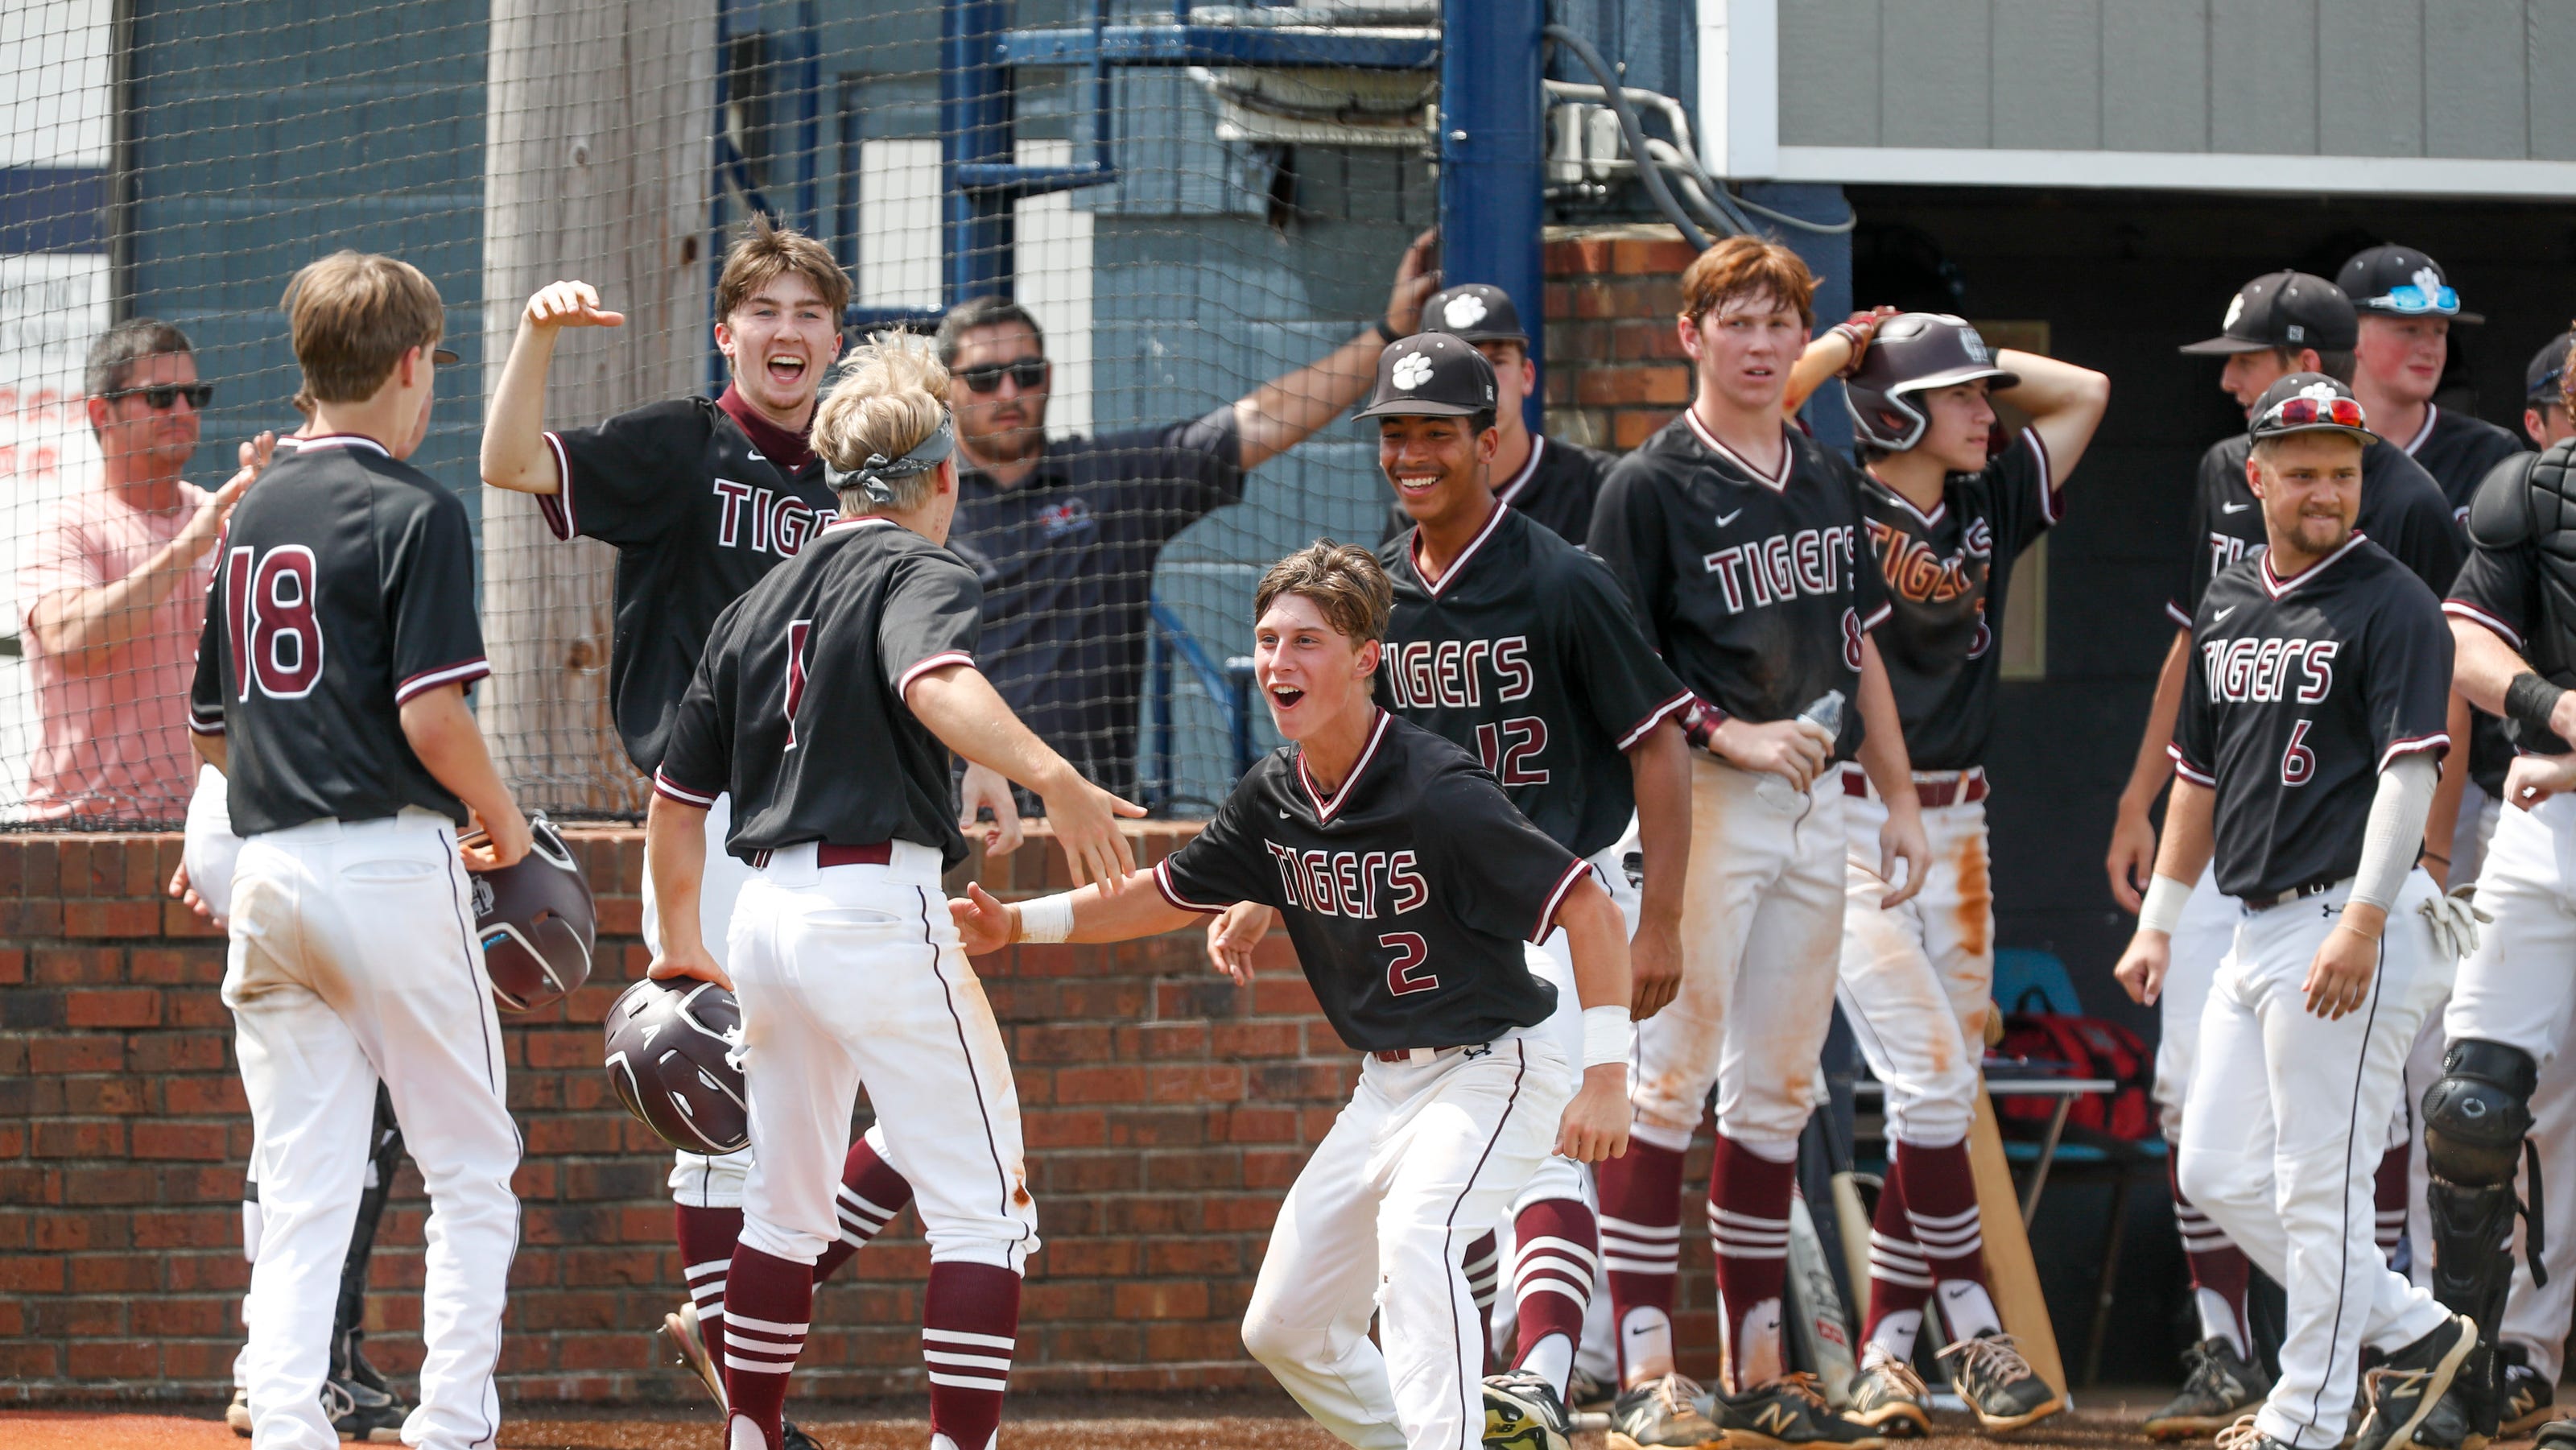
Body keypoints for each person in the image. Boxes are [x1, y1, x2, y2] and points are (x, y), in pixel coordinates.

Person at [476, 219, 996, 1436]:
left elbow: (912, 652)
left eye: (813, 313)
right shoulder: (681, 445)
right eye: (766, 309)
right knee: (719, 1107)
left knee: (912, 1119)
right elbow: (507, 462)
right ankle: (738, 1400)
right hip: (709, 817)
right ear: (730, 331)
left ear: (835, 339)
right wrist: (537, 338)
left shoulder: (858, 476)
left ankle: (729, 1326)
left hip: (840, 834)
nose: (790, 331)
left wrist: (974, 769)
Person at [950, 539, 1633, 1450]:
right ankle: (1466, 1432)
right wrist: (1019, 925)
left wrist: (1607, 1074)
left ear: (1364, 660)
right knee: (1283, 1325)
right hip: (1384, 1085)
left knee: (1420, 1238)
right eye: (1268, 638)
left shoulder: (1437, 789)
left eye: (1307, 641)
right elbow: (1159, 892)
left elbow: (1587, 910)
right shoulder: (1274, 792)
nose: (1279, 660)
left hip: (1493, 1062)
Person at [641, 335, 1141, 1450]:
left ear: (831, 474)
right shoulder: (924, 566)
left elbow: (677, 802)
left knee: (780, 1207)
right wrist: (1050, 774)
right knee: (984, 1216)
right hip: (874, 911)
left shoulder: (758, 601)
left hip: (760, 918)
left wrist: (679, 945)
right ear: (943, 475)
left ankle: (751, 1436)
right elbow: (932, 678)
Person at [1209, 335, 1693, 1441]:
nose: (1414, 452)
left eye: (1437, 430)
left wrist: (1659, 915)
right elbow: (1357, 765)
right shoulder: (1376, 595)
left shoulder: (1565, 578)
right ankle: (1485, 1400)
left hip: (1568, 892)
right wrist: (1276, 884)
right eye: (1395, 431)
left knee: (1541, 1146)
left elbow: (1660, 745)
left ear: (1492, 439)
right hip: (1454, 907)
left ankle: (1537, 1378)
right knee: (1449, 1198)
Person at [2103, 271, 2465, 1440]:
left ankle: (2305, 1417)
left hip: (2350, 921)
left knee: (2320, 1186)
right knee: (2215, 1170)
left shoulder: (2395, 600)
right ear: (2254, 476)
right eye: (2301, 470)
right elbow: (2197, 780)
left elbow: (2415, 769)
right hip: (2251, 922)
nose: (2324, 490)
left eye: (2342, 472)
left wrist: (2365, 922)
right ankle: (2410, 1324)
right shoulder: (2229, 599)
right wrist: (2160, 917)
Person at [1585, 234, 1930, 1450]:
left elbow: (1861, 641)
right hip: (1698, 801)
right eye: (1734, 320)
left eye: (1779, 322)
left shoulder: (1828, 474)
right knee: (1664, 1078)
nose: (1758, 341)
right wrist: (1728, 729)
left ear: (1801, 341)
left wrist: (1896, 796)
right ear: (1690, 336)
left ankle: (1758, 1366)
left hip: (1815, 800)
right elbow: (1616, 668)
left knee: (1777, 1089)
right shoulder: (1649, 483)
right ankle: (1640, 1367)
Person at [187, 250, 528, 1450]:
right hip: (390, 865)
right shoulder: (415, 507)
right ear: (409, 365)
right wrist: (509, 817)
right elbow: (435, 720)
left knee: (303, 1184)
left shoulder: (252, 514)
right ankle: (449, 1429)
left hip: (269, 866)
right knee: (472, 1165)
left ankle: (286, 1424)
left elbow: (211, 733)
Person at [1774, 312, 2108, 1435]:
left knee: (1942, 1095)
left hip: (1960, 827)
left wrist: (1955, 351)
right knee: (1923, 1072)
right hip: (1847, 822)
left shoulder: (1985, 495)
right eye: (1960, 394)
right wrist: (1849, 346)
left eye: (1981, 394)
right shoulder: (1825, 490)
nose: (1988, 409)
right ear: (1895, 412)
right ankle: (1974, 1328)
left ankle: (1886, 1354)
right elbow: (1765, 410)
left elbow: (2087, 392)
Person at [939, 229, 1438, 802]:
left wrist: (1389, 334)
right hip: (959, 820)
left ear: (1048, 377)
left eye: (1025, 372)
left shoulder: (1111, 483)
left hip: (1095, 816)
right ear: (947, 390)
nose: (1008, 390)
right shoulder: (929, 504)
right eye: (983, 376)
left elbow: (1261, 419)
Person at [2421, 356, 2576, 1446]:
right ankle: (2467, 1374)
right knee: (2471, 1106)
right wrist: (2552, 708)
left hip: (2554, 785)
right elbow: (2463, 640)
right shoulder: (2533, 490)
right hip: (2545, 822)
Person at [18, 319, 270, 821]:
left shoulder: (224, 521)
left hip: (206, 828)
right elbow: (70, 637)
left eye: (193, 395)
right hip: (77, 832)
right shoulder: (68, 527)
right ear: (101, 412)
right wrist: (187, 546)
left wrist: (277, 508)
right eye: (159, 397)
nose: (182, 410)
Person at [1375, 282, 1617, 546]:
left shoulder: (1602, 485)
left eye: (1497, 362)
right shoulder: (1414, 511)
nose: (1484, 383)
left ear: (1527, 376)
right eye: (1462, 366)